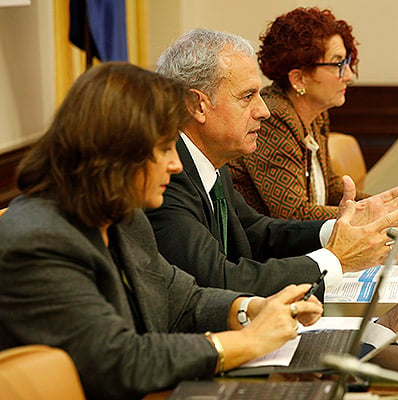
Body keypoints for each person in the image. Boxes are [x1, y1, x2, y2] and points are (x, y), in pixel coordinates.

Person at [0, 62, 323, 400]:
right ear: (119, 152)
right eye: (165, 147)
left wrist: (251, 309)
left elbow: (183, 301)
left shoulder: (123, 217)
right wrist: (248, 341)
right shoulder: (37, 242)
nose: (177, 164)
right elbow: (119, 361)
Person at [147, 28, 398, 299]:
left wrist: (339, 227)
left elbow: (259, 233)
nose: (263, 110)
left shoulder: (210, 160)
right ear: (198, 106)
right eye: (247, 97)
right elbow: (219, 280)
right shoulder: (166, 176)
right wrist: (336, 258)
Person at [228, 7, 368, 220]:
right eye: (338, 63)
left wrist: (383, 202)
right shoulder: (271, 118)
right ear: (299, 78)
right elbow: (293, 214)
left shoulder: (316, 113)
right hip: (262, 250)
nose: (348, 75)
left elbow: (329, 187)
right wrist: (369, 213)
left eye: (346, 62)